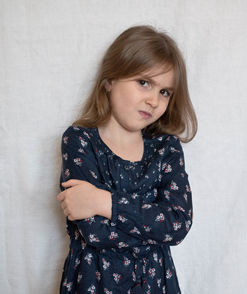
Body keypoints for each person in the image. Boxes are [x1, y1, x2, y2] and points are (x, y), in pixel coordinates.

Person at [56, 25, 197, 294]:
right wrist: (154, 225)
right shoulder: (79, 141)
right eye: (144, 82)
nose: (154, 101)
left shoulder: (166, 149)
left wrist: (103, 201)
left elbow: (177, 224)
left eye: (165, 92)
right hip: (92, 284)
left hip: (156, 285)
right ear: (110, 79)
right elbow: (94, 231)